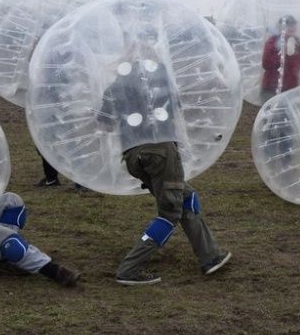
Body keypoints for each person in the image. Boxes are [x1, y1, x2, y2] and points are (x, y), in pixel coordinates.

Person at [97, 40, 231, 286]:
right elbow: (177, 109)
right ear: (153, 55)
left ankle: (210, 256)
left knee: (186, 198)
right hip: (161, 152)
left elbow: (104, 122)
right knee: (169, 212)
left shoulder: (117, 83)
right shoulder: (161, 74)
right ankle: (129, 269)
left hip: (134, 156)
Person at [260, 15, 300, 101]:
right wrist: (283, 53)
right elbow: (266, 64)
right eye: (289, 27)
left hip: (291, 89)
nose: (293, 29)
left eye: (294, 27)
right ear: (281, 28)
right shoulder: (273, 41)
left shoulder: (297, 41)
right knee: (272, 112)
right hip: (272, 88)